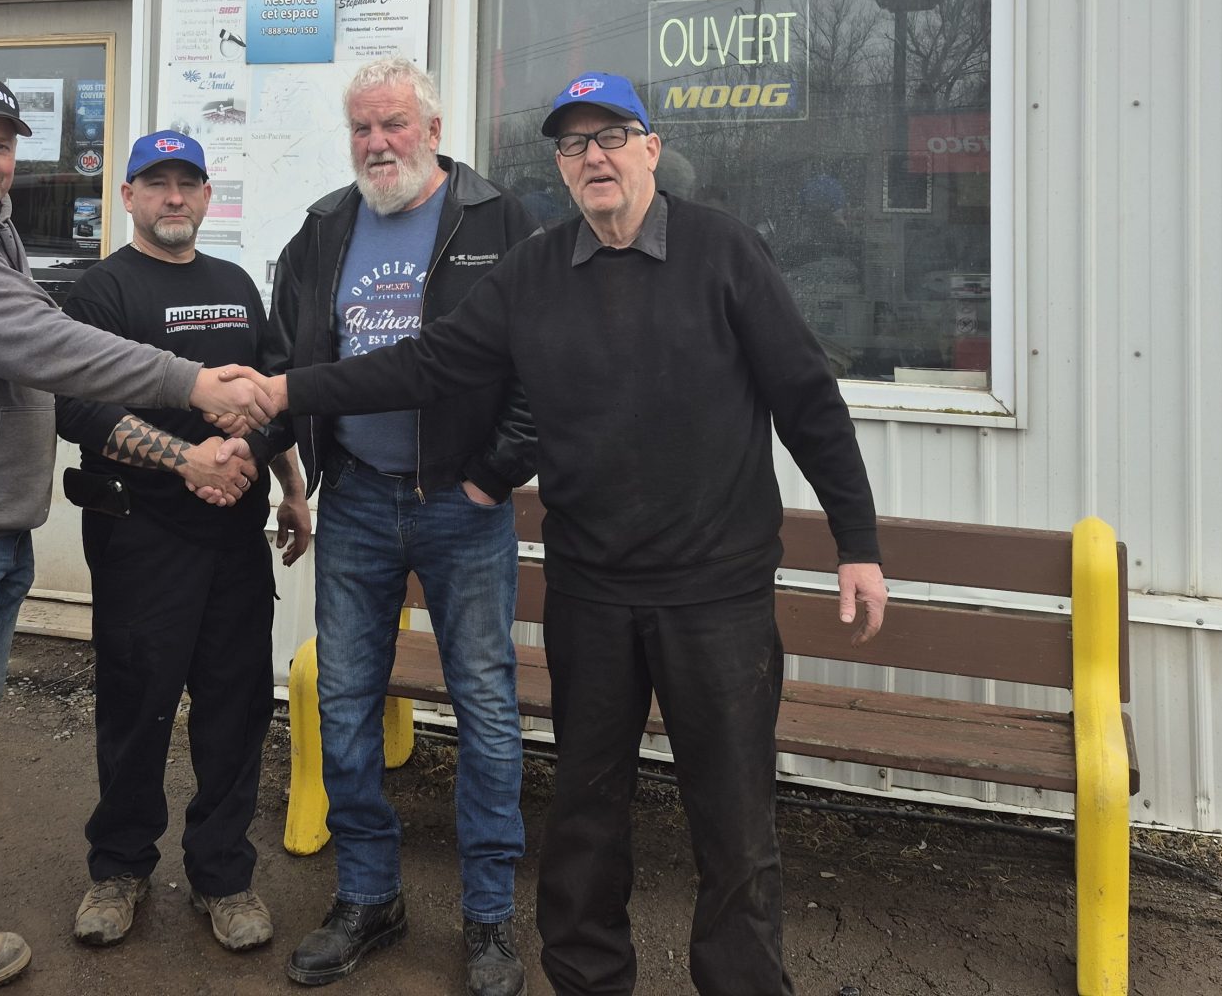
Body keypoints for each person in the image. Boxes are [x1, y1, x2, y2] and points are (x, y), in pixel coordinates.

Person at [248, 71, 889, 996]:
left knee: (734, 819)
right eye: (574, 144)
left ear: (651, 149)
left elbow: (808, 401)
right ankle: (589, 979)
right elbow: (428, 363)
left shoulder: (723, 252)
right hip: (591, 590)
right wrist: (285, 390)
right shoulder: (535, 271)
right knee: (585, 813)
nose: (595, 157)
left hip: (716, 594)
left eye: (612, 136)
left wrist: (856, 542)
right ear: (560, 166)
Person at [0, 73, 270, 996]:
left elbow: (267, 384)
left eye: (2, 146)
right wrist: (192, 395)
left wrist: (276, 469)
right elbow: (50, 355)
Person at [262, 57, 538, 996]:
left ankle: (490, 917)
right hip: (356, 500)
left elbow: (541, 363)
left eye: (393, 125)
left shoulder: (498, 221)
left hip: (464, 507)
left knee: (485, 710)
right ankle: (369, 897)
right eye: (362, 129)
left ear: (433, 128)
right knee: (344, 703)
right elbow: (291, 355)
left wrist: (495, 475)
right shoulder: (324, 226)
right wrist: (279, 464)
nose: (378, 144)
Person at [53, 130, 312, 955]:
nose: (173, 197)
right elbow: (77, 408)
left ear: (206, 196)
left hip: (233, 535)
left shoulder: (235, 285)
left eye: (187, 183)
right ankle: (118, 867)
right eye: (156, 182)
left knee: (236, 709)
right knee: (137, 707)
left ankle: (223, 876)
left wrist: (278, 475)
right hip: (139, 536)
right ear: (128, 195)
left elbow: (277, 394)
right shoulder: (100, 291)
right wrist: (186, 459)